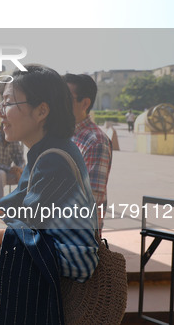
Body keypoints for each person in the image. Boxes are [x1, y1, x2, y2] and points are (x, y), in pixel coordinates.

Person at [0, 65, 98, 324]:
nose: (1, 113)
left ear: (41, 110)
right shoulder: (45, 153)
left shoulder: (54, 160)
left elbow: (33, 229)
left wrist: (2, 234)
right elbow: (19, 212)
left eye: (8, 103)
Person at [64, 73, 113, 230]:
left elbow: (89, 200)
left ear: (84, 103)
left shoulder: (96, 142)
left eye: (66, 98)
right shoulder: (66, 135)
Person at [0, 121, 25, 210]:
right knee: (0, 173)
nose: (8, 130)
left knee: (25, 174)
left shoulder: (14, 141)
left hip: (7, 172)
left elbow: (21, 160)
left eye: (11, 128)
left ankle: (22, 204)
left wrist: (19, 170)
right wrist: (11, 169)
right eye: (6, 127)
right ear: (0, 129)